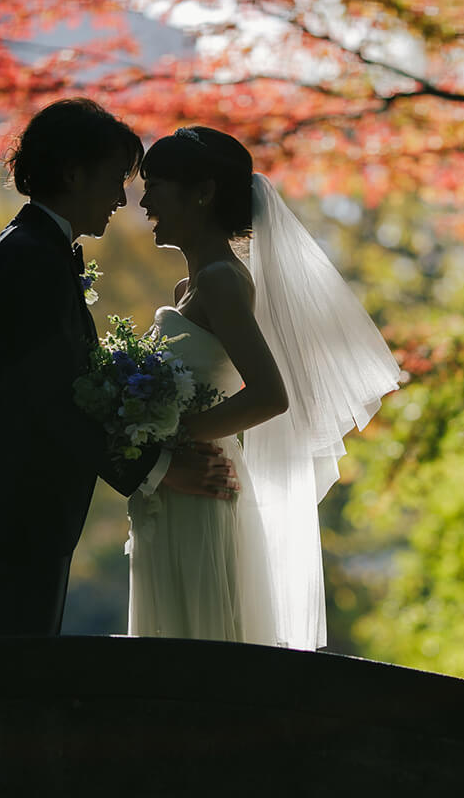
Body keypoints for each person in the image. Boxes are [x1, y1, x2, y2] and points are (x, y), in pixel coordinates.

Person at [0, 99, 239, 637]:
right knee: (14, 678)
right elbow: (53, 398)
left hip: (21, 510)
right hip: (17, 512)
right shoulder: (32, 259)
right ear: (73, 173)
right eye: (113, 179)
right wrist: (157, 467)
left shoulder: (36, 250)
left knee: (17, 673)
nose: (123, 198)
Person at [128, 126, 399, 650]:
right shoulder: (193, 285)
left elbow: (270, 395)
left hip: (201, 482)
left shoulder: (221, 282)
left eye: (156, 185)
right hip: (175, 488)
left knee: (200, 643)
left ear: (202, 192)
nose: (144, 201)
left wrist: (172, 440)